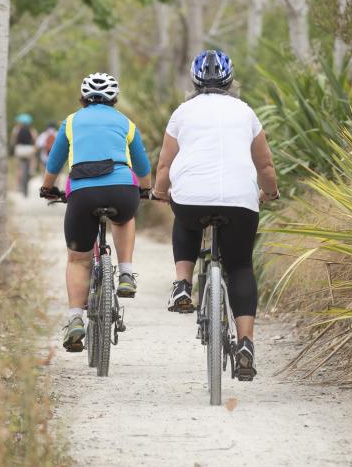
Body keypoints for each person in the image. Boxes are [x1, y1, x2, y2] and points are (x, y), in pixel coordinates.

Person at [151, 50, 279, 382]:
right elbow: (264, 165)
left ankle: (182, 284)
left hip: (191, 197)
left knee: (187, 219)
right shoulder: (246, 112)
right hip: (240, 200)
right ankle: (246, 343)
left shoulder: (182, 112)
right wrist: (270, 192)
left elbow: (164, 166)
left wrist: (160, 192)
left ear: (194, 82)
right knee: (239, 266)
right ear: (230, 81)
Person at [39, 73, 152, 352]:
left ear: (83, 97)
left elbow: (54, 163)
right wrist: (146, 189)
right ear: (114, 98)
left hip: (83, 194)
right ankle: (126, 273)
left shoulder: (71, 122)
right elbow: (142, 165)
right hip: (122, 191)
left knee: (78, 260)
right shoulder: (126, 123)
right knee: (124, 218)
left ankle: (75, 319)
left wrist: (47, 188)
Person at [11, 113, 38, 196]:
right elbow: (35, 140)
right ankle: (31, 170)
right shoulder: (32, 130)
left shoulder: (16, 129)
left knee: (19, 166)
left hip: (19, 149)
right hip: (29, 150)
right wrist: (34, 148)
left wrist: (14, 146)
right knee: (34, 158)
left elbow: (13, 140)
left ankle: (18, 184)